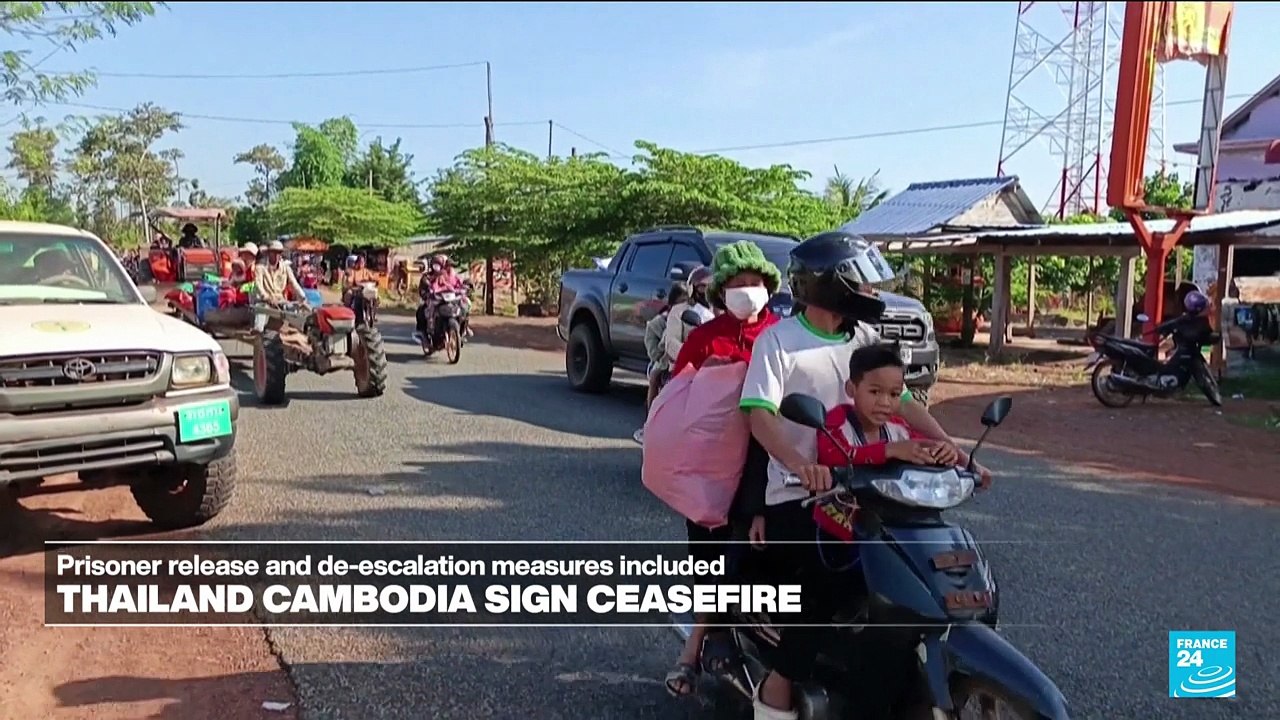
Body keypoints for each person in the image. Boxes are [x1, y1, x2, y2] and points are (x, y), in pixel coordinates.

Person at [740, 230, 989, 720]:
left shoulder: (866, 338)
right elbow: (759, 414)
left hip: (873, 489)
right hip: (804, 495)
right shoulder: (779, 342)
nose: (875, 295)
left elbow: (907, 402)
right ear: (833, 286)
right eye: (866, 286)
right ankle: (779, 686)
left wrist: (956, 453)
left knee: (922, 571)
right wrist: (800, 465)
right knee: (824, 588)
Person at [665, 241, 780, 698]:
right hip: (712, 473)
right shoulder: (704, 338)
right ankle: (693, 650)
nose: (747, 292)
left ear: (769, 287)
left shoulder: (780, 336)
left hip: (769, 466)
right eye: (737, 285)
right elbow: (680, 399)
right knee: (713, 564)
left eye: (754, 284)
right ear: (721, 293)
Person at [634, 281, 691, 445]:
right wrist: (664, 354)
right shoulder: (658, 323)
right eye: (680, 301)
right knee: (654, 378)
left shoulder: (695, 315)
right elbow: (654, 350)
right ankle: (649, 422)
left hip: (686, 361)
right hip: (664, 362)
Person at [662, 265, 715, 365]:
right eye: (702, 287)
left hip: (714, 366)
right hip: (685, 367)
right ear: (692, 288)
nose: (707, 291)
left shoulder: (719, 311)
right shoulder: (679, 311)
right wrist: (691, 356)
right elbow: (671, 342)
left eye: (710, 287)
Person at [252, 240, 309, 331]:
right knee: (260, 314)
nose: (276, 255)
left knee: (297, 313)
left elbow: (294, 283)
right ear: (269, 253)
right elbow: (258, 285)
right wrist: (267, 298)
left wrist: (303, 297)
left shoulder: (285, 268)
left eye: (279, 252)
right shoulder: (260, 267)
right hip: (265, 301)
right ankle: (258, 335)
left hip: (280, 300)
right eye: (273, 252)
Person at [414, 254, 469, 344]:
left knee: (464, 308)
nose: (437, 267)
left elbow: (458, 283)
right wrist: (427, 290)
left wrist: (464, 287)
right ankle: (423, 334)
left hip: (450, 299)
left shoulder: (450, 274)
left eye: (439, 264)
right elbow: (425, 286)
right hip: (435, 299)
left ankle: (462, 331)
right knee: (421, 311)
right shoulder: (428, 276)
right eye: (435, 264)